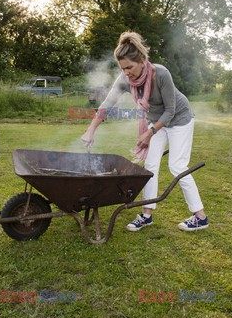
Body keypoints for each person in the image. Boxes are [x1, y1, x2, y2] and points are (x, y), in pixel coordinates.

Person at [81, 31, 209, 232]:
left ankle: (200, 217)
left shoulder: (161, 74)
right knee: (150, 167)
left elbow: (170, 110)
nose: (126, 73)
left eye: (130, 67)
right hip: (156, 122)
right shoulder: (125, 79)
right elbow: (107, 104)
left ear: (142, 61)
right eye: (123, 69)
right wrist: (91, 130)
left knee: (177, 166)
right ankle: (146, 215)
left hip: (179, 119)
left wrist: (149, 133)